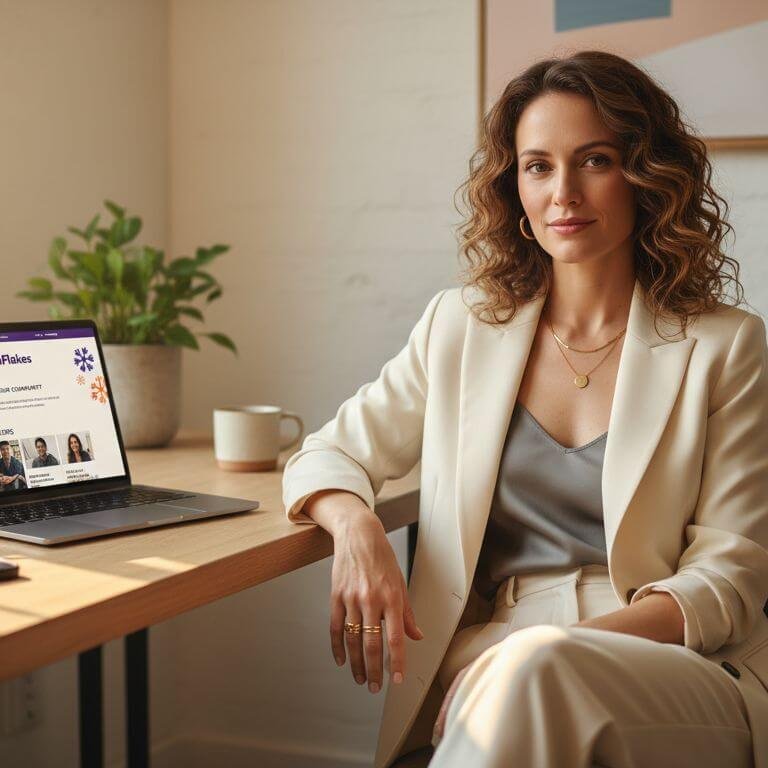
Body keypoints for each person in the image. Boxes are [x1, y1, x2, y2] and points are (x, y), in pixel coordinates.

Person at [282, 49, 768, 768]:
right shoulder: (460, 328)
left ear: (645, 176)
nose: (562, 191)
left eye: (595, 160)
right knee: (526, 672)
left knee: (537, 669)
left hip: (675, 662)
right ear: (514, 185)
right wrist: (355, 527)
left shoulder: (726, 346)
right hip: (493, 647)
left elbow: (728, 581)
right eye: (538, 165)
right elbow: (328, 452)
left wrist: (554, 645)